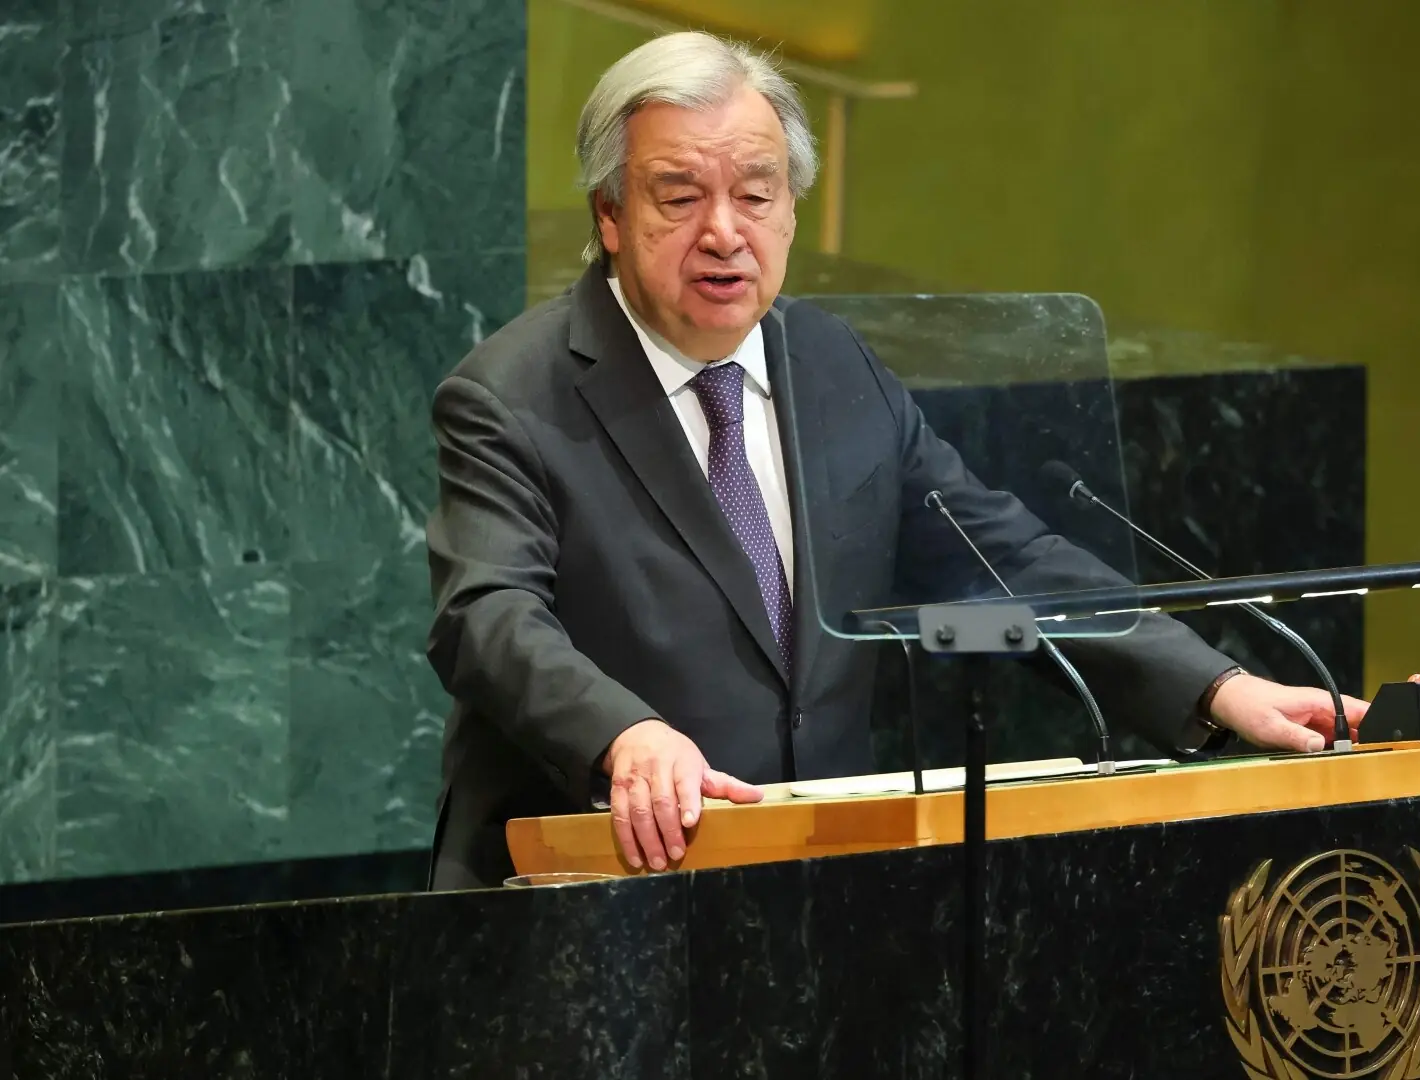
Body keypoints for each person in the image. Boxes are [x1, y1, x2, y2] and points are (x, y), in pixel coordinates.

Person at [423, 30, 1368, 890]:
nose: (724, 231)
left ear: (791, 213)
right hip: (580, 892)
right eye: (680, 196)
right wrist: (621, 735)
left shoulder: (833, 368)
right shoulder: (513, 394)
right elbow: (487, 617)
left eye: (756, 194)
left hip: (820, 892)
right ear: (612, 215)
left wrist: (1218, 685)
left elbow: (997, 570)